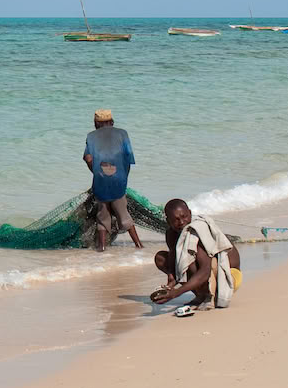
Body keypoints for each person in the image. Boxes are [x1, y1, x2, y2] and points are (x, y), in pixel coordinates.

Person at [152, 199, 242, 315]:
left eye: (184, 217)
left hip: (229, 276)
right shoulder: (171, 234)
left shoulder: (197, 231)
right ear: (168, 221)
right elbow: (176, 265)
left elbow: (205, 270)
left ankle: (209, 296)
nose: (181, 222)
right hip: (209, 273)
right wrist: (169, 286)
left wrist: (176, 293)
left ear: (189, 213)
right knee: (161, 258)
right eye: (176, 220)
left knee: (191, 259)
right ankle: (200, 295)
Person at [82, 109, 140, 251]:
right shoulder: (122, 133)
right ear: (112, 122)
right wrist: (123, 178)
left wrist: (97, 173)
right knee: (123, 213)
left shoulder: (91, 136)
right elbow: (128, 157)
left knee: (102, 215)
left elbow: (88, 158)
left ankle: (101, 248)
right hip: (119, 180)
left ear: (95, 123)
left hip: (100, 180)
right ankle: (138, 245)